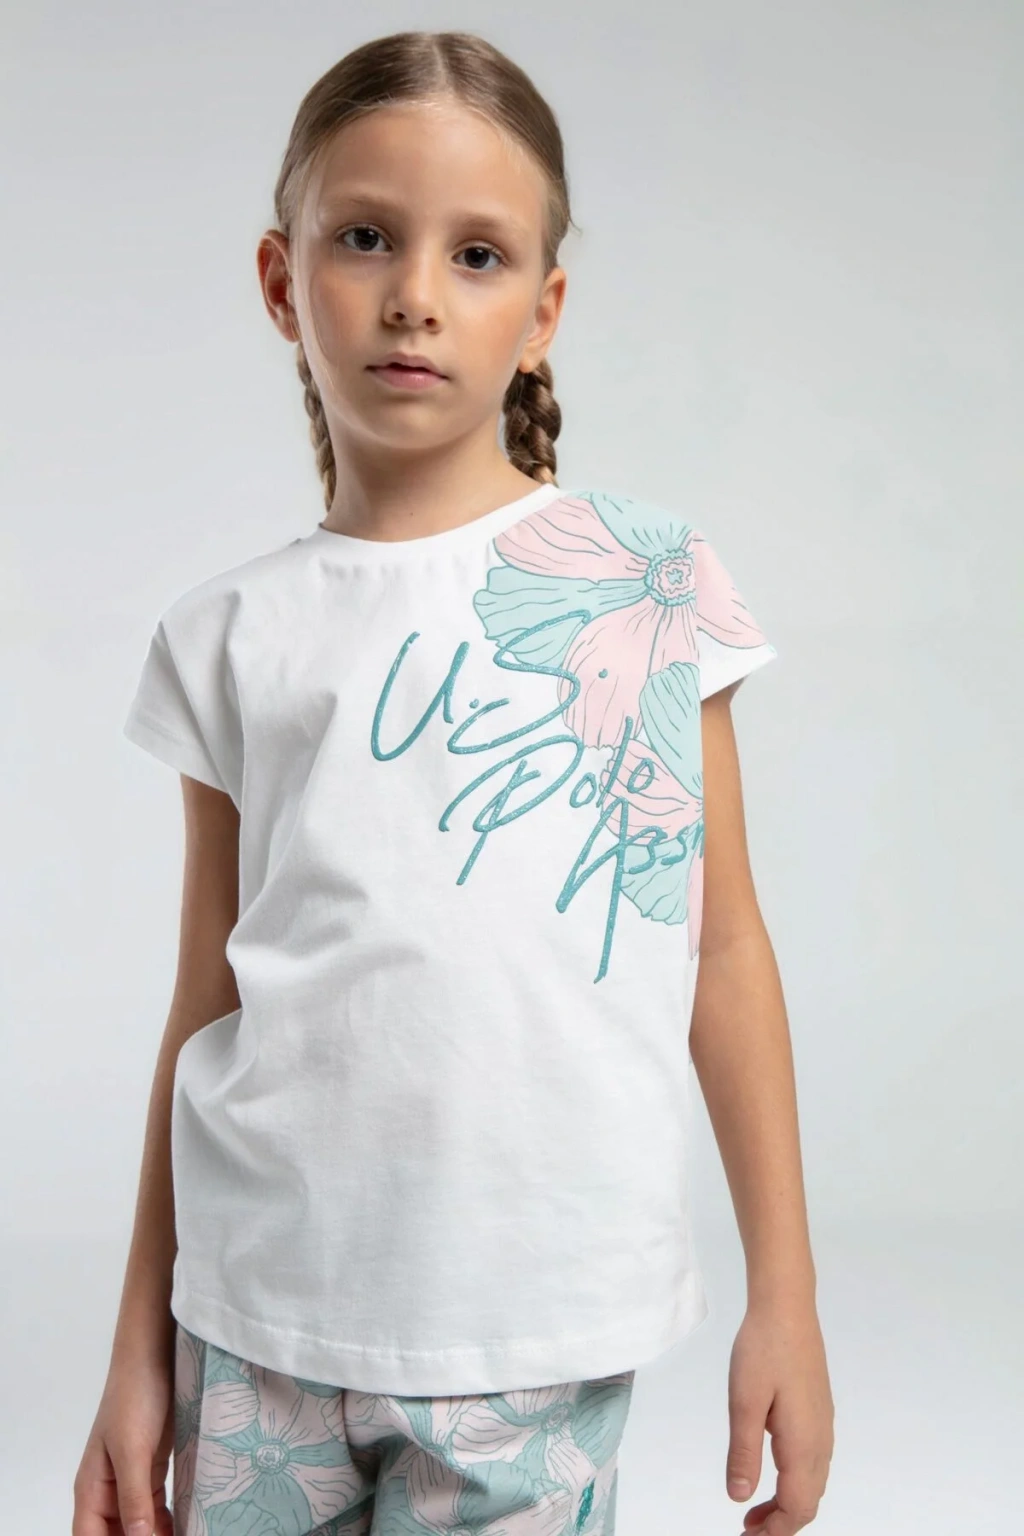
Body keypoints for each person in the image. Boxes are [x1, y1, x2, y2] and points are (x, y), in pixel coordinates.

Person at [72, 28, 834, 1536]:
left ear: (542, 312)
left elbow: (724, 949)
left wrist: (788, 1297)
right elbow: (206, 1003)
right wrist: (137, 1346)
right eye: (365, 237)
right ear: (282, 281)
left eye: (476, 255)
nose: (416, 293)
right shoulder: (227, 635)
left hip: (534, 1336)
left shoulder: (640, 583)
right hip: (259, 1330)